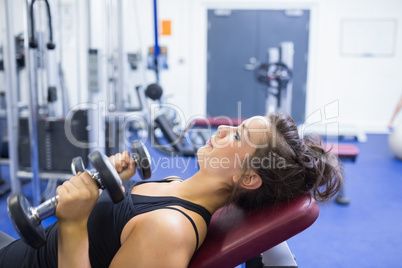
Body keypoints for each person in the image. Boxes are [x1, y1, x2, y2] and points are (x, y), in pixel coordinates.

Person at [0, 112, 343, 267]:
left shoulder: (171, 232)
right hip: (22, 250)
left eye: (237, 135)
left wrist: (74, 225)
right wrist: (116, 187)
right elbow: (117, 228)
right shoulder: (178, 186)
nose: (223, 127)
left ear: (249, 178)